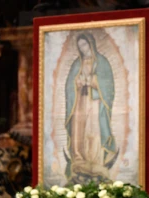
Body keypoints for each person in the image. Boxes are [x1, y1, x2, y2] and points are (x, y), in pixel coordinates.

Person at [64, 33, 118, 183]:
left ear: (91, 44)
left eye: (85, 45)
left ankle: (95, 162)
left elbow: (108, 85)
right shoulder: (77, 64)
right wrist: (77, 82)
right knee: (78, 130)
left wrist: (93, 81)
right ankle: (79, 160)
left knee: (93, 129)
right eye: (80, 46)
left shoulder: (101, 62)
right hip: (79, 102)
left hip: (95, 102)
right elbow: (69, 85)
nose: (83, 49)